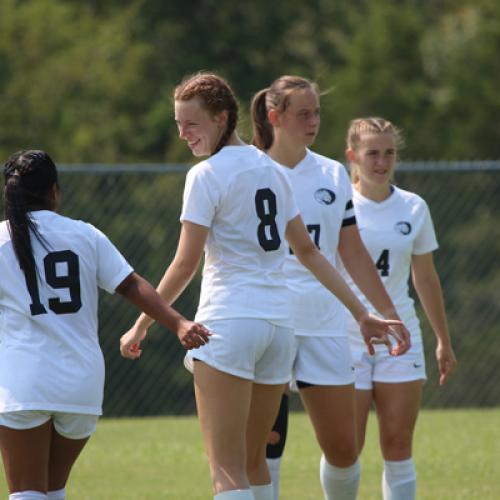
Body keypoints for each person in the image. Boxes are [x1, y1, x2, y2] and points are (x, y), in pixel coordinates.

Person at [120, 72, 407, 500]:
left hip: (229, 325)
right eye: (178, 124)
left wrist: (143, 322)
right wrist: (360, 313)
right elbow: (309, 253)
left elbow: (184, 263)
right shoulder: (272, 170)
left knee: (227, 470)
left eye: (191, 124)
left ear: (222, 118)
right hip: (278, 330)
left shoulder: (205, 174)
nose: (182, 134)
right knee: (255, 464)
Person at [0, 150, 210, 500]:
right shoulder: (84, 235)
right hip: (81, 385)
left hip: (24, 385)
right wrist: (178, 322)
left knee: (27, 494)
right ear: (54, 191)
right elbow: (131, 284)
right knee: (53, 491)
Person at [251, 75, 411, 500]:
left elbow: (352, 251)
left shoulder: (331, 172)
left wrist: (386, 311)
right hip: (267, 319)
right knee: (266, 445)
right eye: (303, 113)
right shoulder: (249, 169)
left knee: (343, 449)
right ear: (274, 116)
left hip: (324, 322)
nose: (314, 121)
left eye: (317, 112)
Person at [344, 117, 457, 500]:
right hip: (347, 338)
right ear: (353, 157)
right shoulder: (338, 203)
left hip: (401, 337)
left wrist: (443, 339)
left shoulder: (413, 207)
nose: (381, 161)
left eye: (389, 153)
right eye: (372, 153)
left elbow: (424, 278)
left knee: (397, 444)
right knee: (346, 448)